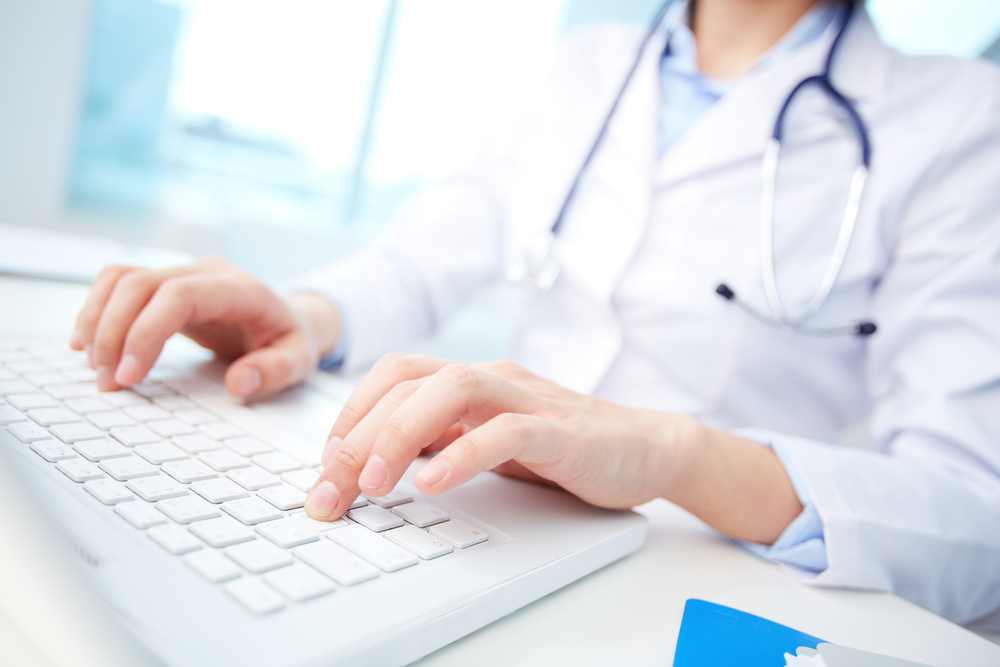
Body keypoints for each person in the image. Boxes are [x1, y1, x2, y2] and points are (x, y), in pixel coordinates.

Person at [69, 0, 1000, 629]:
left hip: (704, 579)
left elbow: (974, 518)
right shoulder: (589, 66)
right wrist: (302, 319)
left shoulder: (958, 116)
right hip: (481, 528)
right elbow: (427, 253)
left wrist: (674, 452)